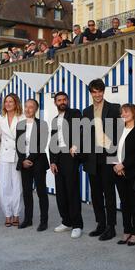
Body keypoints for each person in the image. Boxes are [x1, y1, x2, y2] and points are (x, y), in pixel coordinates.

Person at [83, 79, 122, 241]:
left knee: (109, 194)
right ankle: (100, 224)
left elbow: (119, 133)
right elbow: (84, 135)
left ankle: (111, 227)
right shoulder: (86, 111)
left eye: (99, 91)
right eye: (94, 92)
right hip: (92, 158)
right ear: (91, 93)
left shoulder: (114, 108)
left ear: (103, 92)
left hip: (108, 157)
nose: (97, 94)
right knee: (96, 194)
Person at [50, 92, 84, 239]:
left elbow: (80, 130)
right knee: (61, 192)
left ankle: (77, 225)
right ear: (55, 103)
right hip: (58, 158)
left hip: (70, 156)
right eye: (59, 100)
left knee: (72, 191)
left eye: (64, 99)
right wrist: (52, 161)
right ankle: (66, 221)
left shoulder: (75, 113)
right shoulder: (55, 119)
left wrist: (75, 145)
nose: (62, 102)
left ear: (68, 101)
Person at [113, 104, 135, 247]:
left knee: (134, 203)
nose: (124, 114)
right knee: (124, 203)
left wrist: (124, 165)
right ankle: (126, 231)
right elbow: (113, 149)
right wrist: (116, 165)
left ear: (134, 113)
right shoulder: (119, 129)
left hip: (132, 172)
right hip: (117, 171)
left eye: (126, 111)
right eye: (122, 112)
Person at [16, 99, 50, 232]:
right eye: (26, 107)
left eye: (31, 107)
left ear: (36, 109)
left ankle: (44, 221)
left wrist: (29, 159)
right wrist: (23, 160)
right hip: (24, 163)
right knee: (26, 193)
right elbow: (18, 145)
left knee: (42, 192)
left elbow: (41, 144)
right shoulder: (20, 124)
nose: (28, 109)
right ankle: (28, 219)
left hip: (39, 163)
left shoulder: (42, 124)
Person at [0, 93, 25, 227]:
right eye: (6, 102)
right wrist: (1, 149)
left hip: (18, 155)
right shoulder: (0, 118)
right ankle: (7, 214)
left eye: (11, 101)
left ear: (16, 103)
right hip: (4, 156)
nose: (7, 104)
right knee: (4, 185)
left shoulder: (22, 117)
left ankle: (17, 214)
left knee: (17, 186)